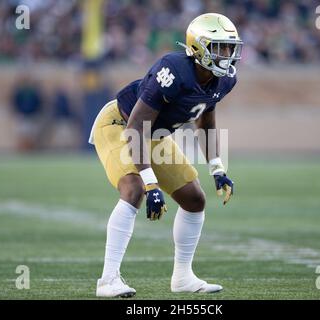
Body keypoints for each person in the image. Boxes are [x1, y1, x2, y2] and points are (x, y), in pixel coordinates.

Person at [89, 13, 243, 298]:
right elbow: (135, 127)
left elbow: (205, 120)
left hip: (155, 134)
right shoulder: (173, 70)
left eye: (229, 47)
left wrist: (217, 168)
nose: (227, 54)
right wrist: (151, 184)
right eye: (219, 47)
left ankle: (183, 277)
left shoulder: (224, 81)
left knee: (194, 199)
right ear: (199, 48)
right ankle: (108, 280)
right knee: (134, 188)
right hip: (120, 125)